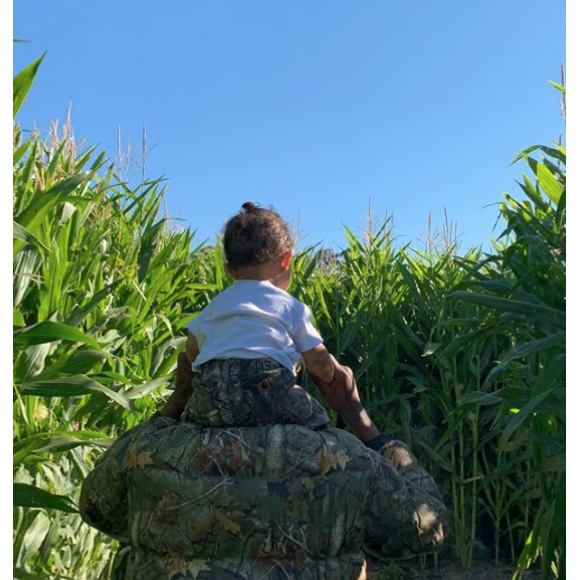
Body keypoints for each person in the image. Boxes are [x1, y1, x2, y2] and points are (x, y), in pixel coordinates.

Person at [162, 203, 387, 451]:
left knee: (197, 419)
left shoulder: (215, 307)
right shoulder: (291, 307)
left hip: (214, 403)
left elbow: (192, 349)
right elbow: (318, 360)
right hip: (275, 398)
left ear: (229, 271)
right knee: (319, 427)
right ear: (286, 260)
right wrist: (332, 375)